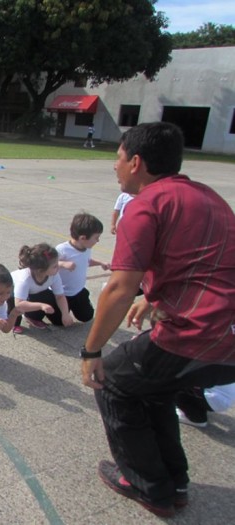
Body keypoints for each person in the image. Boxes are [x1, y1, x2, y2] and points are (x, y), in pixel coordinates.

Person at [81, 122, 235, 518]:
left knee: (112, 380)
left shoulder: (146, 204)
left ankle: (147, 485)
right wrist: (153, 299)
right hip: (226, 337)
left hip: (200, 334)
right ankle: (174, 482)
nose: (114, 166)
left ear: (136, 162)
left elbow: (119, 288)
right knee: (153, 388)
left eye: (118, 158)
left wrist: (91, 351)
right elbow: (202, 264)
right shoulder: (209, 197)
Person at [56, 213, 110, 323]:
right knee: (59, 321)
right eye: (96, 238)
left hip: (78, 290)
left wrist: (100, 263)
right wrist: (62, 264)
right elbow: (47, 265)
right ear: (83, 238)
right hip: (61, 293)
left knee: (87, 316)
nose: (98, 241)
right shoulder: (62, 249)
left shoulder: (87, 248)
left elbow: (86, 261)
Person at [8, 243, 73, 334]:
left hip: (32, 291)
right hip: (10, 290)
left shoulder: (54, 275)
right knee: (13, 303)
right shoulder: (24, 280)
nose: (58, 267)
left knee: (49, 298)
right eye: (55, 266)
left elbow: (60, 296)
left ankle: (31, 317)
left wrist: (65, 314)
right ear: (41, 270)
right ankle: (13, 322)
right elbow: (19, 304)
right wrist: (41, 306)